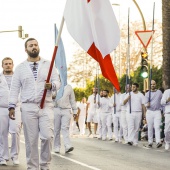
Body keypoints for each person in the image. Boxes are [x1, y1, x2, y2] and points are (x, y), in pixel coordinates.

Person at [8, 38, 61, 170]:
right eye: (30, 45)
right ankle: (32, 167)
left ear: (39, 47)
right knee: (31, 140)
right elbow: (14, 88)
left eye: (36, 45)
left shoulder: (48, 64)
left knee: (47, 137)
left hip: (46, 105)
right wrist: (11, 106)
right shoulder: (20, 68)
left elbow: (57, 81)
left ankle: (44, 165)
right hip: (28, 106)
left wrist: (52, 86)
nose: (34, 47)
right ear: (26, 49)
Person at [0, 57, 21, 166]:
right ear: (2, 65)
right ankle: (2, 157)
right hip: (1, 108)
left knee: (15, 131)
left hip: (16, 108)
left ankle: (15, 156)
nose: (8, 65)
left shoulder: (18, 77)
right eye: (5, 64)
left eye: (9, 63)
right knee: (2, 133)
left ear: (13, 65)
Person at [53, 84, 77, 153]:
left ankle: (67, 145)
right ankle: (56, 146)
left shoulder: (69, 87)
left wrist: (75, 111)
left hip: (66, 110)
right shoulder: (54, 86)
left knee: (65, 128)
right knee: (56, 129)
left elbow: (72, 99)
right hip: (56, 109)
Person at [145, 80, 163, 148]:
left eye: (154, 84)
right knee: (150, 127)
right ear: (150, 85)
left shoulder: (159, 92)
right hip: (149, 112)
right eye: (151, 84)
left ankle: (158, 142)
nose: (153, 85)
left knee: (157, 127)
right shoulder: (147, 93)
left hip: (157, 111)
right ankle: (150, 142)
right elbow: (144, 103)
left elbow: (162, 101)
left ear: (156, 85)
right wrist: (147, 104)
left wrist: (162, 111)